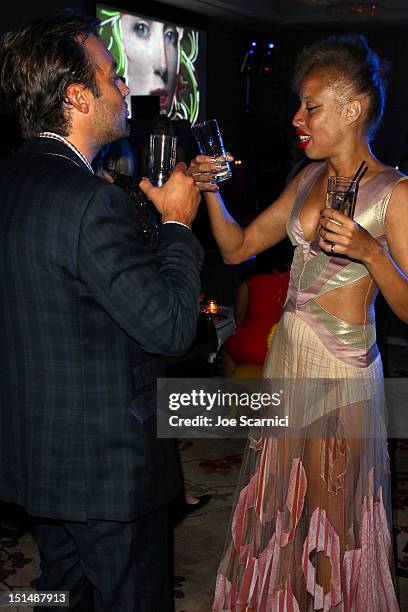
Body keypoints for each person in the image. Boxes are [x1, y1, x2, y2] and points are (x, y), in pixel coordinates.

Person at [190, 33, 408, 610]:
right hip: (288, 361)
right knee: (278, 509)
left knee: (333, 523)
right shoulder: (306, 180)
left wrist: (370, 253)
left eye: (311, 106)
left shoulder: (396, 193)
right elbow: (237, 249)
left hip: (339, 377)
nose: (298, 118)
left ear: (352, 109)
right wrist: (211, 191)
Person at [0, 10, 202, 612]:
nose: (125, 89)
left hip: (35, 453)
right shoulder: (89, 201)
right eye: (113, 77)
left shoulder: (13, 178)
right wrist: (175, 225)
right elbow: (170, 328)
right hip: (106, 469)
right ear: (76, 96)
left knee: (61, 595)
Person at [223, 241, 292, 377]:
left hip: (251, 344)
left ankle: (231, 392)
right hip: (284, 346)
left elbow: (239, 315)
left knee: (226, 348)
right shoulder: (298, 274)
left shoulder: (251, 274)